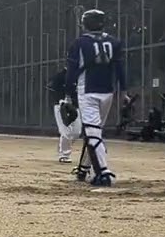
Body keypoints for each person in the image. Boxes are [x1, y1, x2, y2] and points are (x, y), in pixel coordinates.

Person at [65, 9, 126, 187]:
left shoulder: (79, 43)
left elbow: (72, 71)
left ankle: (103, 172)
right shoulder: (114, 42)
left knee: (93, 133)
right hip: (108, 92)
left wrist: (68, 94)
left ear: (85, 24)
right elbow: (121, 69)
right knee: (94, 132)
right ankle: (83, 169)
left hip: (87, 91)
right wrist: (124, 92)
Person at [46, 66, 79, 162]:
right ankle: (64, 154)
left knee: (77, 132)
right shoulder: (60, 76)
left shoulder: (79, 76)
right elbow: (51, 88)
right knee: (65, 131)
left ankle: (63, 144)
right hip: (61, 106)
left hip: (75, 107)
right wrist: (60, 100)